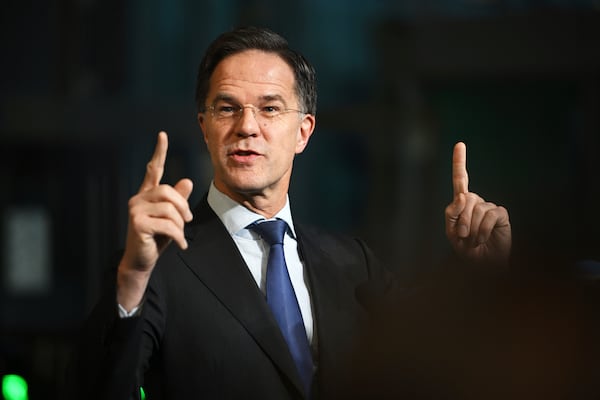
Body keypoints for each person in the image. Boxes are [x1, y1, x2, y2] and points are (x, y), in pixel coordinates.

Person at [65, 26, 511, 400]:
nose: (247, 126)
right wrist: (132, 282)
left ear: (303, 131)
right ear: (204, 127)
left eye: (270, 108)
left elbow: (436, 365)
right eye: (227, 108)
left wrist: (478, 274)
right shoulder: (156, 265)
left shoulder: (351, 264)